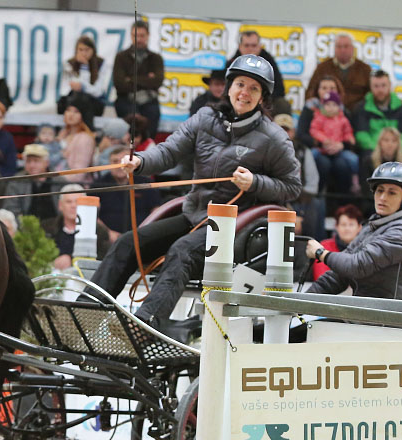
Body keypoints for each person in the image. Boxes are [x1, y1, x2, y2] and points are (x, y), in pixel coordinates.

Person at [87, 55, 301, 332]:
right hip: (195, 215)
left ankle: (145, 326)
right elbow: (168, 151)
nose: (244, 93)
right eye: (240, 84)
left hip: (236, 229)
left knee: (182, 251)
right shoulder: (205, 118)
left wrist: (255, 182)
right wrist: (140, 162)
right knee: (129, 242)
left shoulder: (274, 138)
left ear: (262, 98)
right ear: (229, 87)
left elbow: (293, 186)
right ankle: (87, 310)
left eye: (253, 88)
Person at [305, 162, 402, 300]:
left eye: (391, 192)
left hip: (393, 319)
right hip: (370, 315)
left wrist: (321, 253)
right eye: (380, 190)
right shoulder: (372, 226)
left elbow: (357, 266)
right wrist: (300, 304)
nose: (382, 197)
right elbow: (338, 276)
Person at [93, 146, 161, 242]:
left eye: (123, 161)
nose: (119, 166)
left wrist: (144, 231)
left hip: (142, 236)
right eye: (115, 161)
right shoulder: (98, 185)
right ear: (109, 163)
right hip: (107, 239)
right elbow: (92, 213)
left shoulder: (146, 183)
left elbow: (156, 211)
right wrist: (107, 233)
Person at [113, 20, 164, 138]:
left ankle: (147, 149)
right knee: (130, 120)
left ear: (148, 36)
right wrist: (147, 79)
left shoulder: (156, 58)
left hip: (149, 101)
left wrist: (130, 79)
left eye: (142, 36)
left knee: (153, 112)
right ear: (131, 36)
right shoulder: (121, 57)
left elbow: (157, 81)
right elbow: (119, 84)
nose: (139, 39)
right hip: (126, 100)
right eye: (135, 35)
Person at [352, 69, 402, 166]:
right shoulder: (362, 108)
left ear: (390, 86)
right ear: (370, 87)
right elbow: (361, 136)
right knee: (366, 159)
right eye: (376, 86)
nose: (380, 90)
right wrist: (380, 149)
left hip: (397, 152)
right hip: (372, 151)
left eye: (383, 85)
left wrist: (395, 150)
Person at [275, 113, 322, 239]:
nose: (284, 133)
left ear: (293, 132)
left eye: (287, 130)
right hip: (274, 198)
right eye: (280, 129)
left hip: (299, 199)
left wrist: (298, 213)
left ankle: (312, 250)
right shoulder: (266, 150)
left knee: (316, 205)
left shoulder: (303, 151)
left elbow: (313, 184)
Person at [224, 30, 290, 115]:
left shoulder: (269, 62)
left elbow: (279, 89)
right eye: (247, 45)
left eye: (254, 45)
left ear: (260, 46)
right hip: (239, 99)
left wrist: (262, 99)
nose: (250, 49)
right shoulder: (232, 63)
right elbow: (224, 88)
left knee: (282, 104)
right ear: (240, 47)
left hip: (263, 100)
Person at [44, 184, 108, 268]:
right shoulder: (46, 228)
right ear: (60, 205)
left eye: (77, 202)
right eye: (69, 202)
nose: (73, 206)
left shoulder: (98, 231)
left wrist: (70, 259)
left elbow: (102, 260)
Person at [310, 91, 357, 198]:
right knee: (310, 156)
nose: (330, 108)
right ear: (323, 106)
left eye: (334, 105)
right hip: (322, 149)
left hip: (339, 150)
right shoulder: (319, 117)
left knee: (354, 160)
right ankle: (310, 185)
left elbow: (348, 133)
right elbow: (314, 130)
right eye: (327, 104)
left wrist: (344, 143)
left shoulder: (343, 119)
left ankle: (355, 181)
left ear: (339, 106)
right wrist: (324, 140)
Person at [306, 33, 372, 111]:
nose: (342, 50)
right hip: (326, 113)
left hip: (357, 114)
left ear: (352, 48)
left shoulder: (365, 69)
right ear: (334, 48)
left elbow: (371, 95)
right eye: (339, 46)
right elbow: (310, 92)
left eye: (346, 46)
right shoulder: (322, 68)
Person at [59, 35, 110, 127]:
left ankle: (85, 131)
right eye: (80, 50)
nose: (83, 53)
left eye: (87, 50)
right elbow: (69, 88)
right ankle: (86, 131)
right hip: (74, 101)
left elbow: (97, 91)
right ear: (76, 50)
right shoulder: (69, 63)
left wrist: (85, 68)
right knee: (76, 98)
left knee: (83, 98)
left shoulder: (101, 63)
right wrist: (82, 86)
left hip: (94, 102)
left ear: (93, 50)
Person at [2, 144, 58, 220]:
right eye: (28, 161)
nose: (32, 165)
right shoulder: (16, 182)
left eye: (36, 161)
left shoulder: (59, 181)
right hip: (24, 228)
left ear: (46, 163)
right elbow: (11, 210)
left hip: (55, 227)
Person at [312, 204, 362, 280]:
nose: (347, 228)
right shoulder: (324, 246)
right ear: (336, 226)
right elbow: (320, 277)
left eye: (351, 225)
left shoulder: (365, 249)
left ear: (359, 227)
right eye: (343, 224)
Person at [360, 127, 402, 206]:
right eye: (386, 140)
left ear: (398, 144)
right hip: (372, 203)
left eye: (394, 141)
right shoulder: (368, 162)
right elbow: (365, 188)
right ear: (380, 142)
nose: (390, 144)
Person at [57, 97, 96, 179]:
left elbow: (79, 174)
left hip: (75, 187)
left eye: (76, 112)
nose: (71, 114)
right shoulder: (63, 134)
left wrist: (56, 180)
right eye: (68, 110)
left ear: (83, 115)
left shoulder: (85, 139)